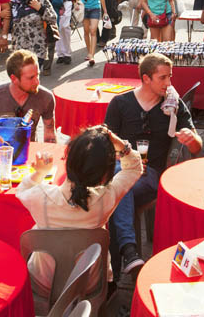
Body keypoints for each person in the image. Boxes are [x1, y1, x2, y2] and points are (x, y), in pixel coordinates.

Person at [16, 126, 142, 298]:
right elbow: (134, 168)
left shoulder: (42, 196)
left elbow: (22, 190)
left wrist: (40, 173)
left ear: (67, 160)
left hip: (44, 283)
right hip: (89, 283)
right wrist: (120, 145)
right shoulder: (106, 197)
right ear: (105, 174)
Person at [105, 52, 202, 275]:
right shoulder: (120, 103)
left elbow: (198, 147)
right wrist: (124, 158)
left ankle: (115, 272)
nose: (168, 83)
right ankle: (128, 254)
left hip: (151, 174)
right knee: (118, 184)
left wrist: (191, 138)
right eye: (163, 78)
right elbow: (106, 145)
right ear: (146, 78)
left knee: (113, 192)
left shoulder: (173, 105)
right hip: (121, 170)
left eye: (170, 77)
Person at [11, 0, 59, 72]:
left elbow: (53, 18)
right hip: (20, 48)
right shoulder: (15, 2)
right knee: (21, 77)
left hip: (37, 47)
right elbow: (8, 21)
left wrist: (40, 9)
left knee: (31, 75)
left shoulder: (41, 1)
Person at [76, 0, 108, 67]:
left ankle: (92, 55)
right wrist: (76, 5)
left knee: (93, 30)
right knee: (86, 31)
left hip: (95, 7)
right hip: (84, 8)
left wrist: (105, 11)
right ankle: (89, 51)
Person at [35, 0, 64, 75]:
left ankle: (47, 67)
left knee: (49, 44)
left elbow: (60, 2)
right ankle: (38, 65)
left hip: (50, 20)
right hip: (38, 20)